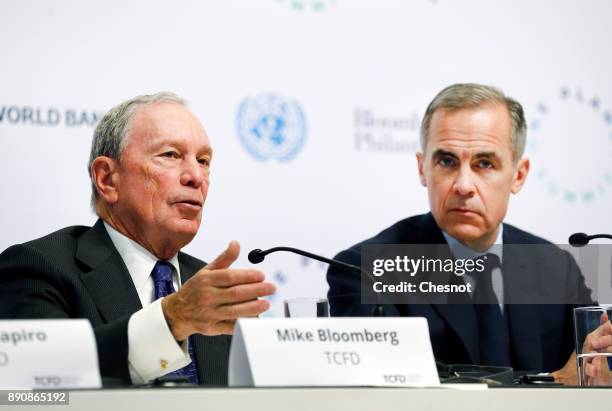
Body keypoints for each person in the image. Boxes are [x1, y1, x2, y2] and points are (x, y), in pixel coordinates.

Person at [327, 83, 610, 383]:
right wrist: (552, 382)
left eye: (484, 163)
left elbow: (591, 370)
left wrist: (599, 368)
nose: (463, 185)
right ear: (423, 169)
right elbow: (394, 389)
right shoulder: (366, 270)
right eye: (447, 161)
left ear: (519, 174)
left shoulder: (557, 266)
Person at [0, 92, 276, 386]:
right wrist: (170, 320)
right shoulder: (40, 268)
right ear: (107, 179)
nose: (197, 176)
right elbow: (42, 379)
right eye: (170, 155)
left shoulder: (210, 292)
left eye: (204, 160)